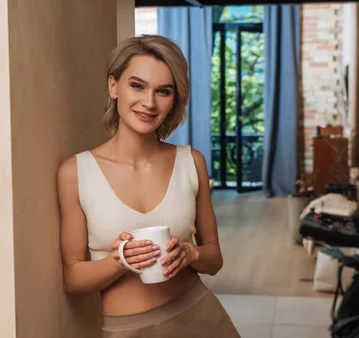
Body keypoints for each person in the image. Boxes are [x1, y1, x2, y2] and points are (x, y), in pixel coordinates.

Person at [57, 35, 240, 337]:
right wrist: (120, 261)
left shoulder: (191, 162)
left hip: (202, 319)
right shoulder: (75, 172)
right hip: (127, 330)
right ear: (113, 86)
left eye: (163, 91)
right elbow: (73, 280)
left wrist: (190, 254)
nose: (149, 102)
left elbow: (214, 259)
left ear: (174, 100)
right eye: (137, 85)